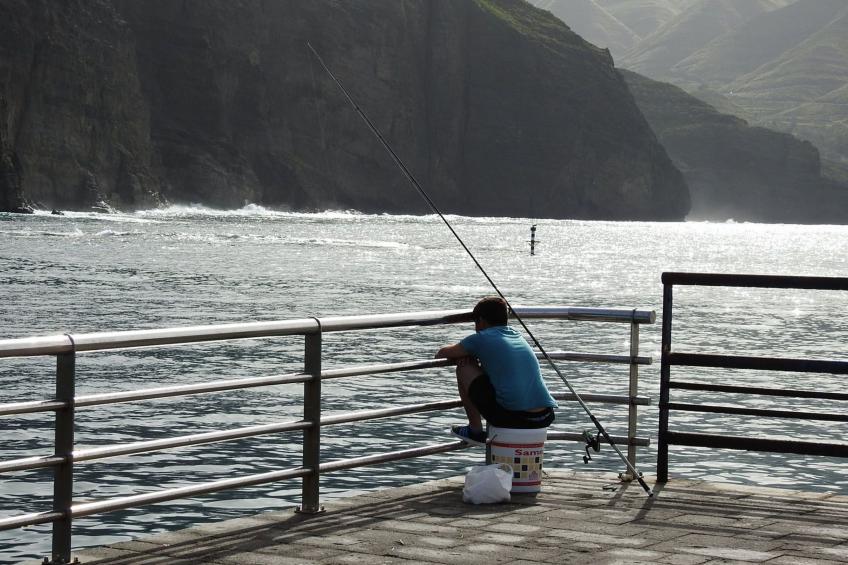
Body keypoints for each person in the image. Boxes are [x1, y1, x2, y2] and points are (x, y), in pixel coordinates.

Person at [435, 296, 557, 446]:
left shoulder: (481, 338)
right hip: (544, 415)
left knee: (464, 368)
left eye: (475, 323)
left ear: (481, 321)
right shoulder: (516, 335)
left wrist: (467, 356)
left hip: (516, 418)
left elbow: (441, 353)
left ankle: (475, 430)